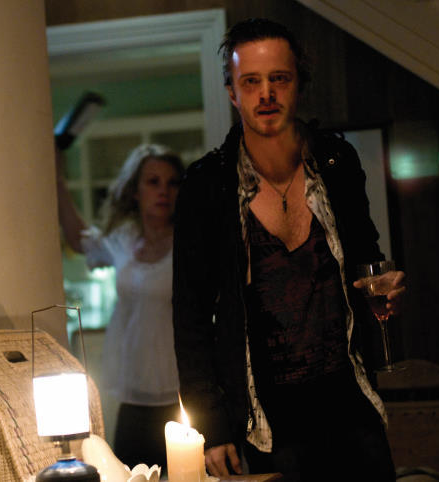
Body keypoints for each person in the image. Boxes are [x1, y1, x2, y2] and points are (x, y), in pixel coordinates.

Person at [172, 18, 406, 482]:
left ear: (299, 83)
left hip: (348, 399)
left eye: (279, 78)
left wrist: (386, 285)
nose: (266, 94)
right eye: (251, 82)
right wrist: (211, 427)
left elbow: (366, 260)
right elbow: (190, 315)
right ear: (232, 92)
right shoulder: (207, 186)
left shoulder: (336, 162)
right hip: (267, 418)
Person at [56, 143, 184, 470]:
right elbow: (80, 240)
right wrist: (56, 181)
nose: (163, 191)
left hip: (180, 391)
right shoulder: (125, 238)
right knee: (127, 474)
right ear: (135, 191)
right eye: (153, 182)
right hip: (134, 392)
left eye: (172, 182)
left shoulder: (188, 241)